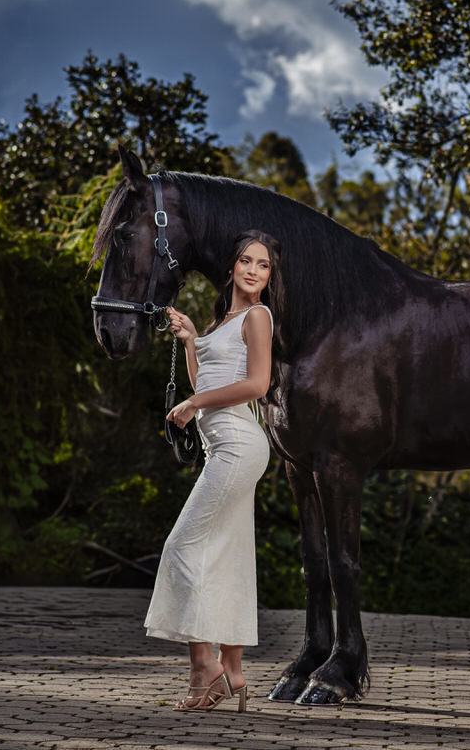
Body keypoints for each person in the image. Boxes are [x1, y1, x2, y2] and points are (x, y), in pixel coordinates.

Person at [144, 230, 283, 712]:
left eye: (262, 265)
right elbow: (209, 382)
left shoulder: (259, 316)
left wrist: (195, 401)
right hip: (222, 444)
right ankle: (234, 672)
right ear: (232, 267)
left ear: (269, 277)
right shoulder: (224, 321)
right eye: (246, 260)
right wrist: (189, 343)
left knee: (183, 546)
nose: (252, 270)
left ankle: (207, 668)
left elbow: (258, 384)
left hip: (240, 446)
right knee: (226, 556)